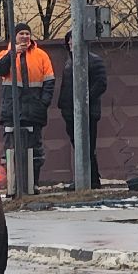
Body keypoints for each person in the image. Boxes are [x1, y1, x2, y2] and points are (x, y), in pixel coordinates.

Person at [0, 22, 55, 187]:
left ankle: (32, 184)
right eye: (21, 34)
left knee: (34, 150)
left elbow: (49, 82)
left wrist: (43, 104)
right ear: (15, 36)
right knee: (10, 150)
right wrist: (13, 54)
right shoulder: (4, 54)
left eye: (27, 33)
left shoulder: (41, 55)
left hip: (34, 112)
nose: (25, 37)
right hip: (11, 111)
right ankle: (13, 185)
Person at [57, 36, 108, 189]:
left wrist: (83, 102)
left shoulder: (93, 60)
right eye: (69, 40)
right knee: (78, 146)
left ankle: (90, 180)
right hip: (69, 112)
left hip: (87, 113)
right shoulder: (70, 61)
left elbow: (101, 84)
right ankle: (87, 178)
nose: (71, 42)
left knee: (87, 146)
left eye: (73, 39)